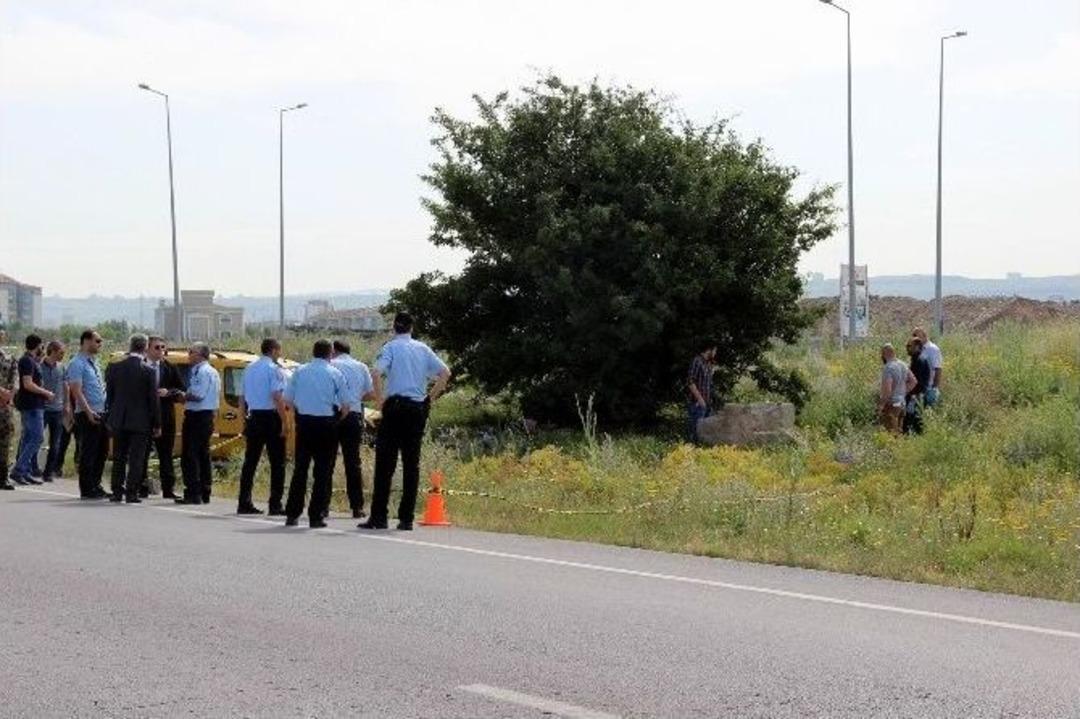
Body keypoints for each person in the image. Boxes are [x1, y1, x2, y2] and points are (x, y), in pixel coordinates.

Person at [360, 312, 450, 531]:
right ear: (412, 328)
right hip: (416, 408)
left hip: (395, 407)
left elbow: (376, 372)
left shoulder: (390, 347)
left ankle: (379, 517)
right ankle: (406, 518)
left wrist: (381, 401)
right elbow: (445, 373)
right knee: (412, 465)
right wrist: (429, 399)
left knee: (385, 464)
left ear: (394, 327)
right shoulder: (422, 348)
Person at [283, 339, 349, 528]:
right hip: (326, 423)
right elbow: (345, 406)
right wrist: (336, 419)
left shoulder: (299, 371)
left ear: (313, 352)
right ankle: (316, 515)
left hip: (304, 423)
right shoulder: (335, 373)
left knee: (300, 469)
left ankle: (292, 514)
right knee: (322, 471)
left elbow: (288, 399)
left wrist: (301, 410)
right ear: (330, 354)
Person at [104, 334, 161, 503]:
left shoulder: (115, 368)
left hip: (119, 419)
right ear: (144, 348)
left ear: (130, 346)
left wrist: (111, 416)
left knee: (119, 456)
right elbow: (153, 400)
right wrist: (157, 423)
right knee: (136, 458)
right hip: (140, 421)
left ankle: (116, 491)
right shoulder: (149, 371)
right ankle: (131, 492)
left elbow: (110, 396)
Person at [237, 338, 288, 516]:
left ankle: (244, 501)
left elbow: (241, 398)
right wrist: (284, 421)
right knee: (277, 463)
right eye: (279, 350)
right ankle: (275, 504)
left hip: (254, 417)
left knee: (250, 462)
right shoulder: (275, 369)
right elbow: (277, 396)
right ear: (273, 350)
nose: (280, 354)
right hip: (271, 417)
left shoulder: (249, 368)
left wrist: (243, 419)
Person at [331, 339, 375, 519]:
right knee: (353, 462)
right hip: (354, 416)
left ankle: (323, 504)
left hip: (333, 414)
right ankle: (357, 507)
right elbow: (371, 393)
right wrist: (356, 398)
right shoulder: (361, 366)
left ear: (334, 350)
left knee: (327, 460)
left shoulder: (330, 365)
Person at [67, 329, 110, 499]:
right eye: (97, 341)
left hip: (101, 411)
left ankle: (96, 484)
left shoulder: (95, 362)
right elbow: (77, 391)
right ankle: (87, 488)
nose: (100, 344)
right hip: (87, 413)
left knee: (102, 451)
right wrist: (88, 411)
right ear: (86, 341)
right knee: (89, 451)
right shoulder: (77, 363)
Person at [144, 336, 186, 498]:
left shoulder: (170, 367)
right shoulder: (141, 366)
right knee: (143, 452)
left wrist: (168, 392)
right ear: (148, 349)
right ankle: (141, 486)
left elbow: (181, 390)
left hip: (166, 416)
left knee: (166, 453)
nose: (161, 350)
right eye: (157, 347)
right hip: (145, 415)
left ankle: (168, 489)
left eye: (163, 347)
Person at [178, 342, 220, 505]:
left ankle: (193, 492)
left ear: (201, 355)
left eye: (191, 352)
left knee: (191, 455)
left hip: (197, 416)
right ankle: (204, 490)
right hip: (206, 416)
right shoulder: (212, 371)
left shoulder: (201, 372)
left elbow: (198, 394)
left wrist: (182, 395)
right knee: (203, 454)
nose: (189, 355)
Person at [11, 335, 54, 485]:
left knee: (28, 438)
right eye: (42, 346)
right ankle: (18, 469)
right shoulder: (27, 361)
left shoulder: (32, 361)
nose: (43, 349)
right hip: (31, 405)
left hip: (35, 404)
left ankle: (25, 471)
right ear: (38, 346)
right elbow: (28, 384)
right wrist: (45, 392)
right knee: (37, 438)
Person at [40, 340, 68, 481]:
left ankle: (48, 472)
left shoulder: (62, 367)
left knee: (55, 442)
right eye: (61, 353)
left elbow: (65, 386)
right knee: (36, 438)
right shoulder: (39, 366)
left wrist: (67, 405)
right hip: (42, 408)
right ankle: (29, 467)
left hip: (57, 409)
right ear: (53, 351)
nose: (63, 355)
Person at [878, 343, 916, 436]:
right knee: (899, 432)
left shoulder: (888, 367)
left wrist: (881, 405)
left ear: (884, 354)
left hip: (892, 404)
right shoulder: (903, 365)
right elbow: (913, 381)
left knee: (891, 434)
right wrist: (903, 391)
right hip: (902, 403)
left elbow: (888, 390)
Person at [687, 342, 717, 444]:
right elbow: (690, 382)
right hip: (698, 403)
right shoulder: (697, 361)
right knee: (695, 433)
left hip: (707, 403)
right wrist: (700, 400)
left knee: (705, 435)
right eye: (714, 351)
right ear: (709, 350)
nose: (715, 354)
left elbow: (708, 384)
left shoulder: (707, 364)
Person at [904, 337, 932, 435]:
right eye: (906, 346)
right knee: (912, 420)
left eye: (909, 346)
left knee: (914, 421)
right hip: (916, 395)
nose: (907, 348)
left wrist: (910, 394)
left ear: (917, 347)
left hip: (916, 396)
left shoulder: (919, 360)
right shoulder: (916, 359)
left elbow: (918, 382)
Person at [0, 331, 17, 491]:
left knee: (5, 443)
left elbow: (14, 380)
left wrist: (9, 395)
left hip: (4, 407)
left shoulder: (9, 358)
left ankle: (3, 477)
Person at [911, 327, 943, 407]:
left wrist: (934, 388)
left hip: (929, 388)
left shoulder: (933, 350)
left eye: (916, 335)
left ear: (924, 336)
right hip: (919, 388)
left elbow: (938, 369)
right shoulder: (918, 349)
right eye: (913, 336)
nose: (914, 338)